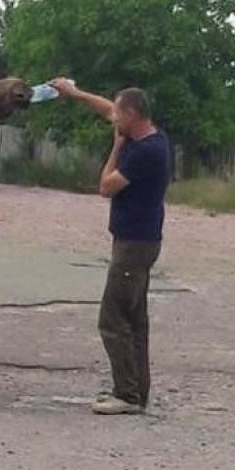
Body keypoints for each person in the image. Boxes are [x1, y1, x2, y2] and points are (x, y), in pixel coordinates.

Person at [49, 77, 170, 415]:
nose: (113, 118)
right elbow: (105, 107)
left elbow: (105, 187)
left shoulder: (144, 152)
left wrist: (115, 147)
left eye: (119, 114)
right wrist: (74, 93)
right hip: (138, 241)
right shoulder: (147, 135)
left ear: (132, 115)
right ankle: (135, 391)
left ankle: (127, 395)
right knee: (135, 319)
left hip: (135, 245)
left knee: (113, 317)